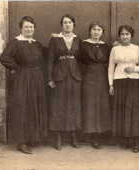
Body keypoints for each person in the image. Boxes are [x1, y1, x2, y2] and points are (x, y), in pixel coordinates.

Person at [0, 16, 48, 154]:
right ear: (21, 28)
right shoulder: (15, 42)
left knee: (34, 106)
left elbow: (49, 53)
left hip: (37, 78)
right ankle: (21, 142)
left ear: (34, 28)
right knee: (22, 107)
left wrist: (56, 39)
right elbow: (4, 57)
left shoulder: (36, 43)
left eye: (31, 27)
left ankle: (32, 138)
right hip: (23, 78)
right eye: (26, 27)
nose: (29, 29)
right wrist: (16, 67)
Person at [47, 14, 82, 150]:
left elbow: (83, 58)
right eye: (65, 23)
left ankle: (73, 136)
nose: (67, 25)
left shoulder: (78, 39)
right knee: (58, 106)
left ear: (74, 24)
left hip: (74, 76)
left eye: (70, 22)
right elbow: (50, 60)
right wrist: (50, 78)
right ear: (62, 25)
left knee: (74, 106)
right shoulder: (55, 40)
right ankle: (58, 137)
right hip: (59, 76)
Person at [108, 25, 139, 153]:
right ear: (119, 35)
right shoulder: (115, 49)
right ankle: (125, 139)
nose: (124, 36)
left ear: (131, 35)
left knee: (134, 110)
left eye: (127, 34)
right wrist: (111, 84)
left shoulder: (136, 48)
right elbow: (111, 66)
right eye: (122, 34)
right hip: (119, 81)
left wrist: (134, 69)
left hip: (134, 81)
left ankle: (136, 140)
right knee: (122, 109)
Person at [79, 21, 111, 149]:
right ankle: (90, 134)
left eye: (99, 30)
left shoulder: (106, 47)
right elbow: (79, 62)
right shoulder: (84, 45)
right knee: (90, 105)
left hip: (102, 78)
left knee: (101, 105)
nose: (96, 32)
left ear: (102, 32)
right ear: (90, 31)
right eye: (94, 29)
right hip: (88, 77)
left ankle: (99, 134)